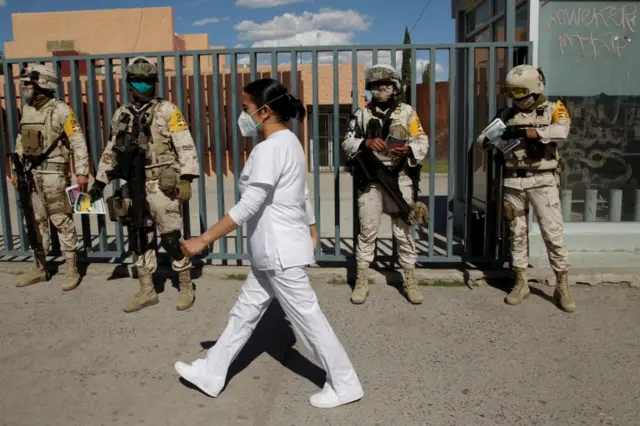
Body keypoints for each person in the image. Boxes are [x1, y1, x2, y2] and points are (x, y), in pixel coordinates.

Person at [174, 78, 364, 409]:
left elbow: (249, 205)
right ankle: (212, 371)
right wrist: (312, 226)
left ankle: (345, 383)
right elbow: (300, 191)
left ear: (264, 111)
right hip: (274, 251)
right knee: (245, 312)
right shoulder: (290, 142)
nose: (242, 115)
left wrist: (203, 239)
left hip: (278, 252)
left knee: (308, 320)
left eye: (246, 108)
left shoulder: (271, 148)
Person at [87, 56, 200, 313]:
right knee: (140, 237)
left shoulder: (167, 110)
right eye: (137, 80)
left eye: (147, 80)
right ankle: (147, 290)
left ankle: (185, 284)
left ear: (155, 82)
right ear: (129, 83)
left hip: (161, 184)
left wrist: (186, 178)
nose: (142, 85)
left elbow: (184, 143)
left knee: (171, 239)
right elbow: (111, 149)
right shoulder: (122, 113)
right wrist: (99, 182)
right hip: (134, 184)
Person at [476, 64, 575, 312]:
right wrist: (495, 137)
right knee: (516, 233)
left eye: (520, 93)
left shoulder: (553, 108)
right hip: (512, 180)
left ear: (534, 90)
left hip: (543, 179)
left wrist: (529, 133)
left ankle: (562, 284)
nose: (516, 100)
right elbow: (481, 142)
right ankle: (521, 282)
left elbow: (562, 131)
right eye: (512, 94)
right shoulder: (506, 115)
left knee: (552, 233)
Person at [342, 64, 429, 305]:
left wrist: (409, 148)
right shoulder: (361, 114)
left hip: (400, 178)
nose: (382, 90)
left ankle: (409, 278)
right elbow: (346, 143)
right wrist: (365, 143)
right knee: (368, 231)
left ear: (395, 87)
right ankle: (362, 279)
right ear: (370, 89)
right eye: (377, 86)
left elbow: (422, 140)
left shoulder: (408, 113)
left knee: (403, 231)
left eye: (387, 85)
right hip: (371, 180)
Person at [11, 64, 90, 291]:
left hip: (54, 174)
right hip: (31, 173)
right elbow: (20, 142)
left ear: (42, 84)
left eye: (29, 83)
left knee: (61, 219)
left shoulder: (61, 110)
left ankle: (71, 268)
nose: (25, 87)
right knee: (35, 221)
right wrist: (17, 170)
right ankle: (39, 267)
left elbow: (77, 141)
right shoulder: (27, 110)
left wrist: (82, 171)